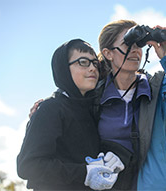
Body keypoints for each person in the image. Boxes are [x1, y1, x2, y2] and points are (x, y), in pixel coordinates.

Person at [97, 20, 166, 190]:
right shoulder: (95, 94)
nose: (135, 50)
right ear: (108, 53)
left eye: (139, 44)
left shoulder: (157, 88)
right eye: (128, 43)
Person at [17, 39, 124, 190]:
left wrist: (106, 161)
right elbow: (28, 166)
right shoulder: (51, 108)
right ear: (64, 69)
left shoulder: (91, 110)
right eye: (83, 62)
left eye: (95, 63)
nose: (92, 68)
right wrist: (84, 173)